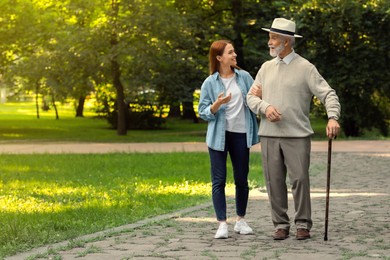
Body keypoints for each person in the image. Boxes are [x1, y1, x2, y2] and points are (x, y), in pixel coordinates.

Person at [247, 18, 341, 240]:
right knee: (274, 181)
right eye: (270, 37)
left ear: (287, 41)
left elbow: (328, 94)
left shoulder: (305, 68)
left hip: (297, 135)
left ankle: (303, 224)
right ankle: (280, 224)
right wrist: (265, 106)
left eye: (274, 38)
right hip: (269, 135)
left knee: (299, 179)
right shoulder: (265, 68)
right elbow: (250, 97)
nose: (269, 42)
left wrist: (332, 117)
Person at [198, 40, 260, 239]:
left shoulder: (245, 77)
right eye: (230, 52)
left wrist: (260, 96)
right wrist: (217, 104)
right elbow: (203, 112)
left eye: (234, 52)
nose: (235, 55)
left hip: (241, 134)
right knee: (219, 181)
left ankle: (240, 221)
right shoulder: (210, 82)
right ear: (219, 58)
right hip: (218, 137)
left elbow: (254, 102)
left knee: (242, 179)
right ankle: (222, 224)